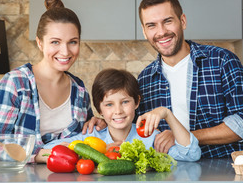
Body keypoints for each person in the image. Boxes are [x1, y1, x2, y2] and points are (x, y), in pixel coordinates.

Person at [136, 0, 243, 158]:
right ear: (144, 32)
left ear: (183, 21)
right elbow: (134, 128)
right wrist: (100, 123)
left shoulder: (222, 61)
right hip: (171, 174)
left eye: (168, 21)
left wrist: (183, 136)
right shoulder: (145, 79)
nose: (161, 32)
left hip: (223, 172)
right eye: (151, 25)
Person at [0, 0, 103, 162]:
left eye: (73, 42)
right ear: (40, 43)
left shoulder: (79, 90)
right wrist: (37, 156)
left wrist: (96, 124)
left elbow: (84, 140)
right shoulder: (15, 84)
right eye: (55, 42)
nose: (65, 51)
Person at [40, 68, 201, 162]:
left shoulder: (150, 138)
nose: (118, 111)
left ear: (137, 102)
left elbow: (191, 154)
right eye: (109, 104)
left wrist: (167, 114)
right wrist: (96, 152)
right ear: (99, 109)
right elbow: (45, 150)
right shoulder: (91, 137)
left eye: (125, 102)